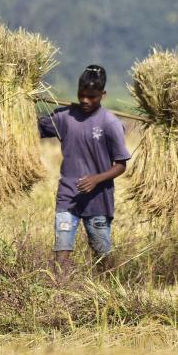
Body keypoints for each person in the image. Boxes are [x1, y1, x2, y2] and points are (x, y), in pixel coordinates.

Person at [38, 65, 131, 271]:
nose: (85, 101)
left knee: (102, 256)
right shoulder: (64, 117)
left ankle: (109, 292)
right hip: (68, 196)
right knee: (61, 252)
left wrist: (96, 179)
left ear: (103, 94)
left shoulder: (110, 123)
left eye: (92, 96)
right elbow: (32, 128)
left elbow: (121, 165)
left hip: (98, 199)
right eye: (81, 95)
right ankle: (60, 294)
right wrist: (23, 104)